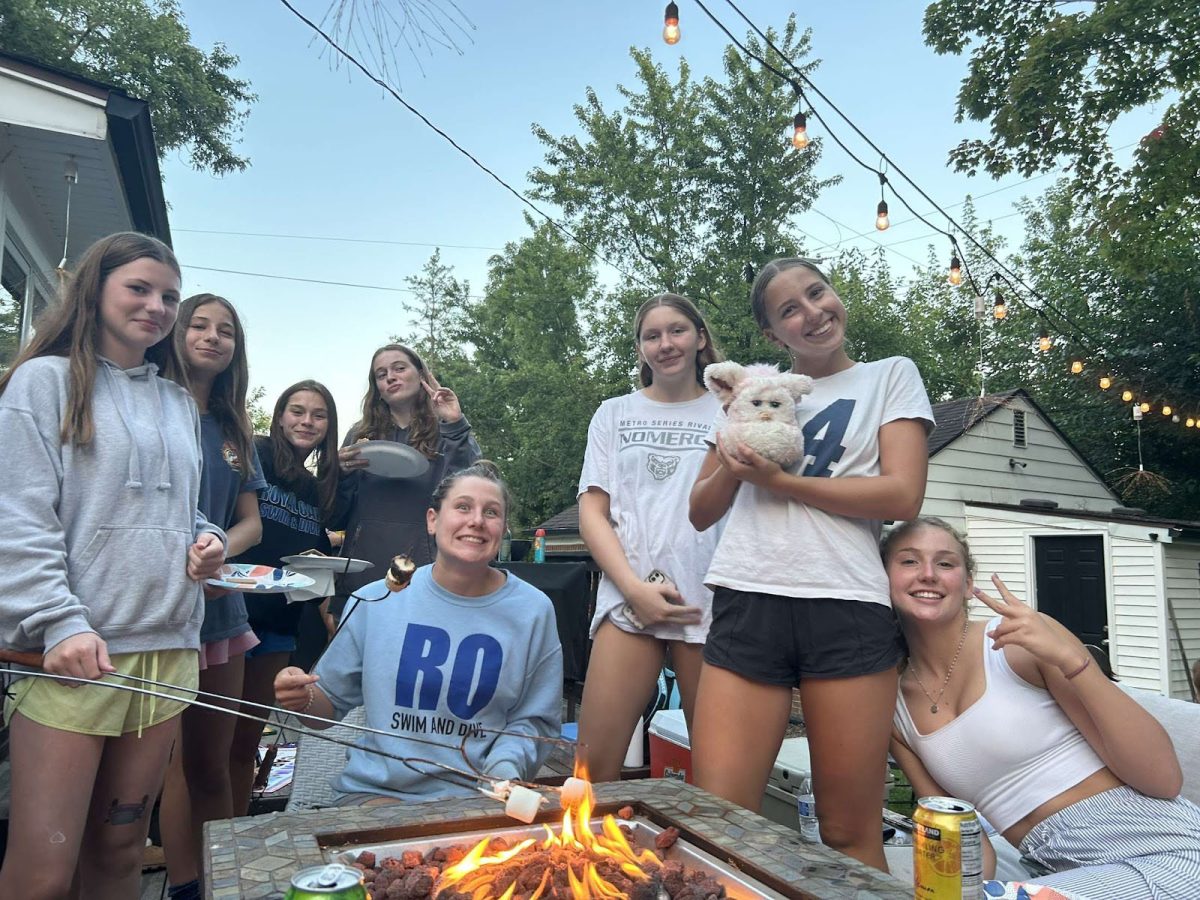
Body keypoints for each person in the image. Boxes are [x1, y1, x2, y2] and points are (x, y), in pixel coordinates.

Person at [0, 232, 226, 899]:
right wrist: (59, 622)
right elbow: (16, 518)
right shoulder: (41, 382)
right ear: (94, 289)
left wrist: (207, 540)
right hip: (71, 654)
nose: (157, 307)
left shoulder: (178, 404)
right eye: (139, 289)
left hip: (166, 649)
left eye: (169, 297)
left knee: (122, 846)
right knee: (43, 872)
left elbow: (185, 514)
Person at [688, 257, 933, 870]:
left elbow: (902, 495)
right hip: (749, 595)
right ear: (775, 336)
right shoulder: (746, 392)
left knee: (849, 834)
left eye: (817, 294)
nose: (812, 313)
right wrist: (733, 459)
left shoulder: (890, 376)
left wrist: (780, 481)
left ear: (835, 294)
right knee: (721, 825)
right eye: (789, 311)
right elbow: (699, 511)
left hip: (846, 603)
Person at [884, 517, 1200, 897]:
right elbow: (961, 833)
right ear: (880, 578)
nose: (929, 574)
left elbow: (1163, 779)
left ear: (968, 584)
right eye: (909, 561)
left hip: (1162, 848)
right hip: (1050, 865)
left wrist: (1072, 661)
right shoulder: (894, 710)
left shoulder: (1019, 641)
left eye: (946, 563)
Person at [274, 461, 563, 804]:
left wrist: (500, 775)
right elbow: (325, 709)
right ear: (432, 520)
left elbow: (535, 723)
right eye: (463, 507)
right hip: (377, 796)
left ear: (502, 529)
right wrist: (299, 697)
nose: (476, 521)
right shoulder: (374, 600)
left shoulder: (532, 610)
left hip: (481, 800)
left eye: (492, 512)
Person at [575, 293, 724, 782]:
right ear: (640, 349)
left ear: (700, 338)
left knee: (719, 777)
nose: (666, 344)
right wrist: (634, 589)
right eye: (652, 335)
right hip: (629, 596)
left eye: (677, 330)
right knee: (591, 770)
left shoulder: (732, 409)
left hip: (709, 599)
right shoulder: (613, 413)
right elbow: (593, 513)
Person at [159, 293, 265, 900]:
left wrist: (221, 542)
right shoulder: (150, 403)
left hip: (223, 609)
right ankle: (182, 885)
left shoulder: (232, 427)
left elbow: (249, 520)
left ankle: (225, 883)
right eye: (198, 324)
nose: (211, 337)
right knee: (170, 764)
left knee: (214, 759)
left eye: (225, 330)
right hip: (159, 611)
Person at [228, 380, 344, 815]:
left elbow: (313, 561)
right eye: (297, 411)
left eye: (318, 415)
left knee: (244, 746)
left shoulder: (315, 489)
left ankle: (232, 835)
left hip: (278, 625)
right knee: (205, 748)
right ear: (279, 416)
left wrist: (328, 610)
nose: (307, 421)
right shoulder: (252, 453)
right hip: (232, 614)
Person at [335, 344, 480, 602]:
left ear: (421, 375)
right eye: (381, 374)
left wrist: (455, 425)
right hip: (361, 574)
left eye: (399, 368)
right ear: (376, 388)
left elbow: (471, 491)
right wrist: (340, 476)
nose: (390, 376)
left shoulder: (448, 429)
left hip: (424, 573)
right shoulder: (359, 436)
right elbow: (335, 515)